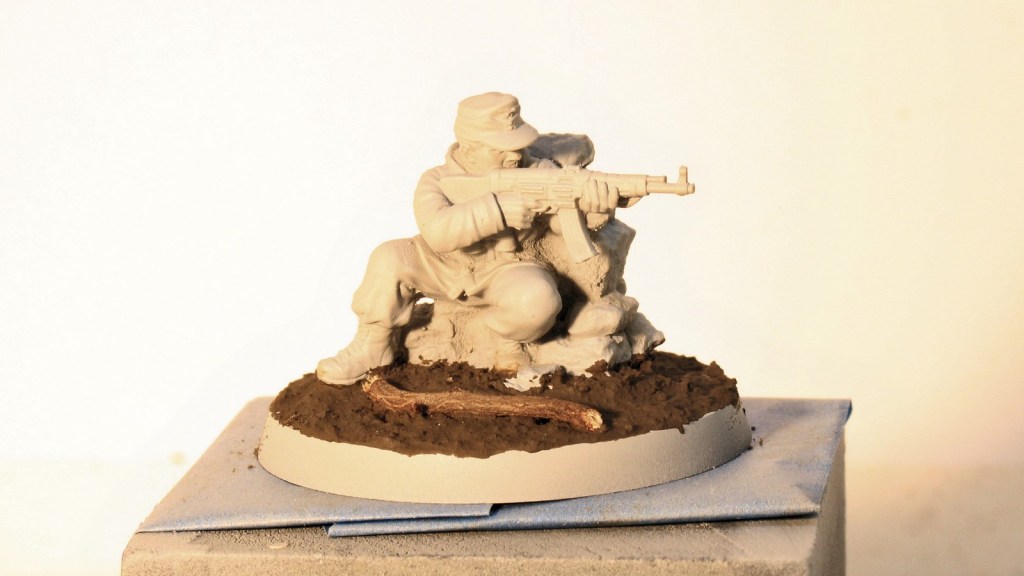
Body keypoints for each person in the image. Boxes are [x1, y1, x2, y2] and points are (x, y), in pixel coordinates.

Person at [316, 92, 619, 385]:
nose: (514, 155)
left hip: (511, 268)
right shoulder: (438, 180)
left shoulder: (540, 170)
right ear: (469, 147)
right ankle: (374, 344)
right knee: (387, 257)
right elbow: (437, 233)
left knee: (537, 301)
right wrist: (496, 211)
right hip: (442, 263)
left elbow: (559, 223)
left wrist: (594, 212)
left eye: (518, 146)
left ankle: (506, 341)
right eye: (500, 149)